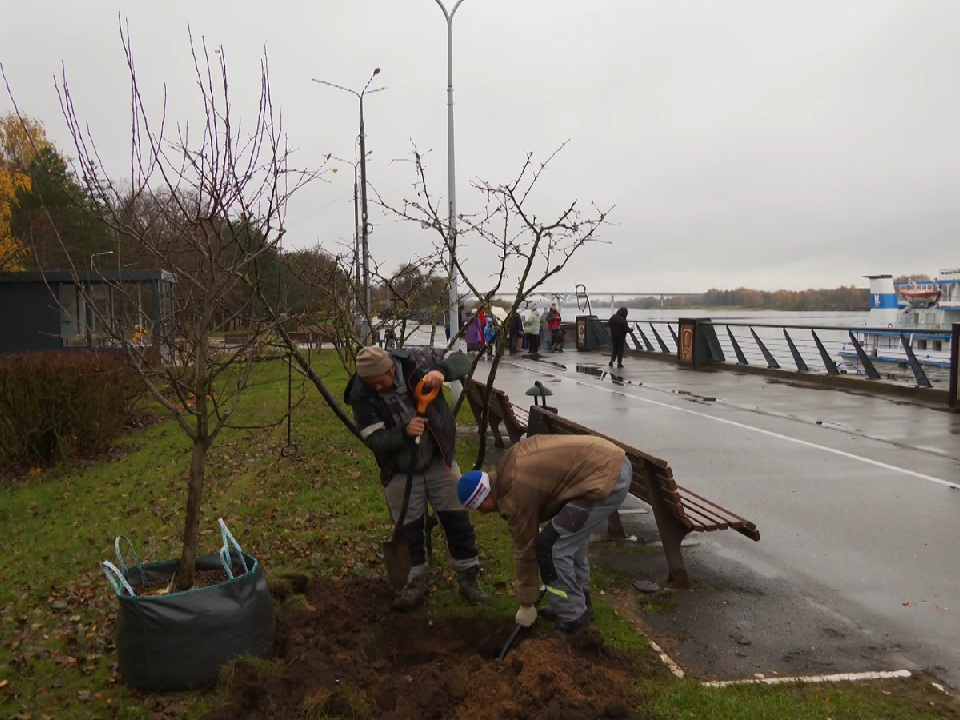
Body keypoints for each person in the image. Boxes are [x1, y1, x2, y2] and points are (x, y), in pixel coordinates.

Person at [344, 345, 490, 611]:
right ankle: (414, 584)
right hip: (399, 469)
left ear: (391, 369)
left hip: (438, 459)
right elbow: (373, 438)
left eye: (381, 382)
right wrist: (403, 433)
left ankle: (469, 579)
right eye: (371, 384)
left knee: (457, 519)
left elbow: (460, 358)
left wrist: (441, 371)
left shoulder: (416, 361)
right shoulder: (361, 393)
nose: (377, 388)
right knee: (409, 529)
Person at [457, 435, 631, 635]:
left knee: (552, 547)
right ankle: (579, 604)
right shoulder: (507, 471)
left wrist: (526, 604)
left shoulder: (515, 495)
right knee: (568, 540)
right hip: (606, 463)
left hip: (605, 477)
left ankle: (572, 620)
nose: (483, 513)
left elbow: (526, 549)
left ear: (484, 494)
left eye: (479, 507)